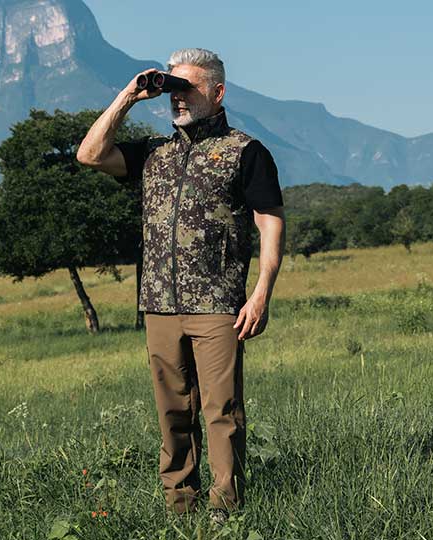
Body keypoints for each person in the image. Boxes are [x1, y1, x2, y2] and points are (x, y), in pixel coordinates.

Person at [76, 48, 285, 523]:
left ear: (218, 92)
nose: (178, 97)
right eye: (173, 88)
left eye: (188, 88)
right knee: (172, 412)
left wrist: (261, 293)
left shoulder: (245, 151)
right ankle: (180, 509)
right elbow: (89, 155)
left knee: (221, 411)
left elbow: (270, 222)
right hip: (159, 305)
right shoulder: (154, 152)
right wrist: (129, 95)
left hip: (218, 304)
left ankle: (225, 510)